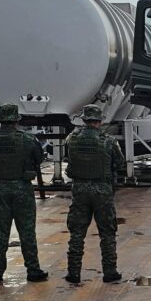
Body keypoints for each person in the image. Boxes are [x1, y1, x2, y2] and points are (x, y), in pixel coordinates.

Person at [0, 104, 48, 284]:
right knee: (26, 231)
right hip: (22, 188)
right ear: (17, 119)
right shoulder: (27, 139)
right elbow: (38, 159)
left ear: (0, 119)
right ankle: (33, 270)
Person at [64, 105, 125, 284]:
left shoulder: (71, 139)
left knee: (77, 233)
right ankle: (110, 271)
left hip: (80, 190)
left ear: (84, 120)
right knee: (107, 232)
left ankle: (73, 272)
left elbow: (69, 160)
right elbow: (120, 164)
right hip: (102, 192)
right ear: (100, 120)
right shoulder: (109, 141)